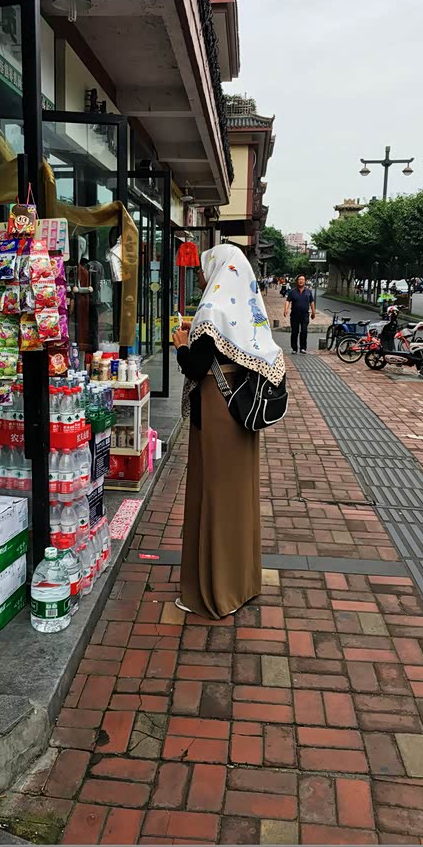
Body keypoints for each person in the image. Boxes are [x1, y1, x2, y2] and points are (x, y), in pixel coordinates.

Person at [171, 244, 286, 619]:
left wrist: (180, 346)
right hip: (242, 410)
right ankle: (241, 583)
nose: (201, 276)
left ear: (218, 270)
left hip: (217, 411)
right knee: (239, 496)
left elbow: (196, 366)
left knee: (214, 495)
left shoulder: (212, 309)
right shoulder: (248, 309)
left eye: (204, 268)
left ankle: (213, 591)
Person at [284, 274, 316, 353]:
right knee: (294, 332)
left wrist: (313, 312)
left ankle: (303, 348)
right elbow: (288, 301)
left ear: (305, 281)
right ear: (297, 281)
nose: (301, 281)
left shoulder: (308, 292)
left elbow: (312, 302)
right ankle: (294, 348)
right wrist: (285, 309)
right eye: (299, 279)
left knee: (304, 331)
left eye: (302, 279)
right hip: (295, 315)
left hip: (305, 315)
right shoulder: (292, 292)